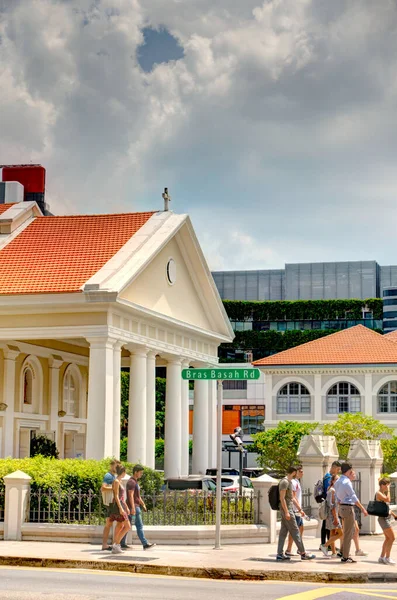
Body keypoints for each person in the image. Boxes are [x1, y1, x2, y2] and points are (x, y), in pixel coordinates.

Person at [276, 465, 315, 561]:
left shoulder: (287, 482)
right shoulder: (285, 482)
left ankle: (280, 554)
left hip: (288, 510)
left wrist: (299, 510)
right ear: (293, 472)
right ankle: (303, 553)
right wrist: (287, 512)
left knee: (283, 532)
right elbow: (282, 498)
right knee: (296, 531)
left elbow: (291, 498)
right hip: (288, 510)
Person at [334, 462, 368, 563]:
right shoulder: (347, 482)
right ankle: (345, 556)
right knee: (349, 533)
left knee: (348, 531)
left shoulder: (338, 481)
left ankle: (342, 551)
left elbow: (336, 495)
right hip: (348, 508)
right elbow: (353, 497)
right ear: (349, 470)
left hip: (341, 507)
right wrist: (362, 508)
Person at [126, 464, 155, 550]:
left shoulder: (135, 482)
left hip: (136, 506)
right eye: (140, 473)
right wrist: (133, 508)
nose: (141, 474)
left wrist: (143, 504)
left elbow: (137, 496)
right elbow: (130, 496)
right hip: (134, 507)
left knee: (127, 525)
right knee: (139, 526)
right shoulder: (131, 482)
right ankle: (145, 544)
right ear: (135, 472)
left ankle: (122, 543)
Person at [109, 464, 131, 555]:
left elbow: (121, 497)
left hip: (121, 505)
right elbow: (116, 496)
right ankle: (116, 544)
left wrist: (125, 506)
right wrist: (121, 508)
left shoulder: (119, 481)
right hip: (119, 506)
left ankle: (116, 545)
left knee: (120, 525)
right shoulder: (117, 481)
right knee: (127, 526)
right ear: (123, 472)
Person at [286, 465, 307, 556]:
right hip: (295, 511)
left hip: (297, 511)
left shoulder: (297, 481)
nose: (303, 473)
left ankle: (299, 548)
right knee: (294, 531)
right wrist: (299, 509)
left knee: (300, 528)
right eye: (301, 471)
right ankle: (288, 550)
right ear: (296, 472)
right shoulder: (294, 483)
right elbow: (293, 497)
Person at [375, 477, 397, 565]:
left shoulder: (382, 493)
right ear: (382, 485)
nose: (388, 486)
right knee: (392, 538)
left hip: (385, 518)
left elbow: (387, 508)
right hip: (383, 519)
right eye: (387, 485)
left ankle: (381, 557)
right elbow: (388, 500)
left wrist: (394, 515)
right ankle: (387, 558)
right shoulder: (379, 493)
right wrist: (388, 491)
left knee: (388, 538)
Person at [320, 474, 343, 558]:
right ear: (332, 481)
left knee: (332, 533)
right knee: (341, 533)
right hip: (332, 516)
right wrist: (336, 518)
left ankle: (333, 552)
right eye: (336, 479)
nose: (338, 481)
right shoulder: (332, 490)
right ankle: (325, 545)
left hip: (333, 515)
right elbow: (332, 506)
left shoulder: (333, 490)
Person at [101, 459, 120, 551]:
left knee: (110, 523)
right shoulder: (108, 476)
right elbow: (103, 488)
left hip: (111, 502)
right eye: (116, 466)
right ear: (111, 466)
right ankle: (107, 544)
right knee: (109, 523)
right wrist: (113, 489)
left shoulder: (114, 476)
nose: (117, 468)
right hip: (109, 503)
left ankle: (112, 544)